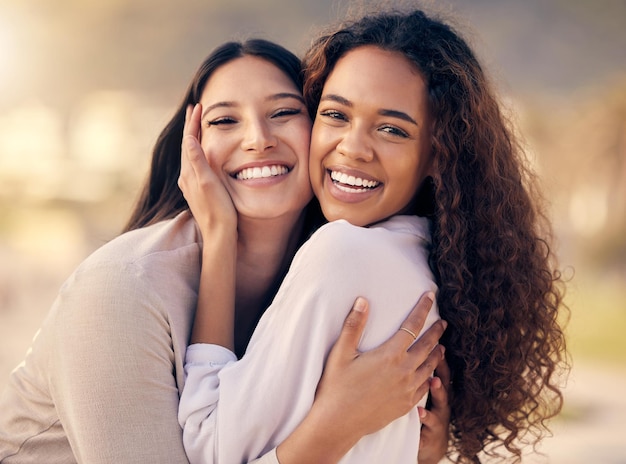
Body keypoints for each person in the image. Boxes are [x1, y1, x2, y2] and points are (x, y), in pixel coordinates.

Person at [0, 39, 450, 464]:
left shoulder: (327, 279)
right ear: (192, 146)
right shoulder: (120, 291)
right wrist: (337, 425)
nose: (257, 139)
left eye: (283, 112)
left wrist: (417, 452)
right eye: (224, 121)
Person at [179, 6, 569, 464]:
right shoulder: (427, 264)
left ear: (437, 154)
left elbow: (208, 444)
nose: (352, 148)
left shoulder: (343, 253)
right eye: (336, 115)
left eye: (391, 129)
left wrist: (220, 237)